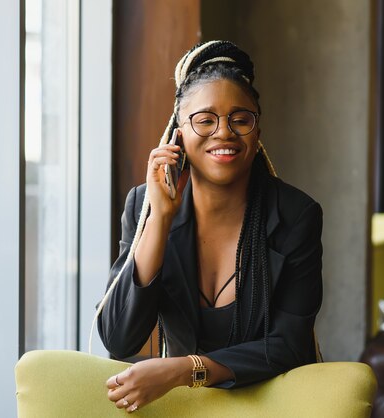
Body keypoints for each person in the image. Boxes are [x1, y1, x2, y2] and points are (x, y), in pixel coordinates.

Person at [97, 40, 323, 413]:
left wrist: (184, 370)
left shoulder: (296, 215)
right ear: (178, 134)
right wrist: (160, 219)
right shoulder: (144, 205)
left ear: (257, 131)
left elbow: (289, 345)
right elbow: (120, 337)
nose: (224, 133)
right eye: (205, 120)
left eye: (240, 119)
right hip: (183, 409)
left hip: (269, 404)